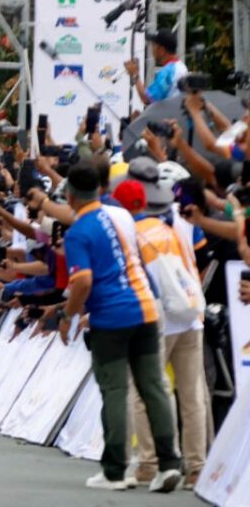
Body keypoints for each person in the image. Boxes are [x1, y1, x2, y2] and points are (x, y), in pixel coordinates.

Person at [59, 162, 183, 492]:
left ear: (70, 197)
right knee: (153, 386)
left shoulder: (77, 233)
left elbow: (83, 280)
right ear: (100, 190)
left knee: (115, 391)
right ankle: (169, 463)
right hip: (144, 308)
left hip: (110, 318)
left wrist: (69, 314)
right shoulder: (122, 216)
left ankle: (115, 469)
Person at [115, 159, 210, 489]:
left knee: (146, 393)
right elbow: (194, 265)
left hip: (156, 317)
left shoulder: (131, 232)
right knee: (192, 394)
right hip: (190, 312)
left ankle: (152, 461)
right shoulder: (180, 223)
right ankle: (196, 466)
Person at [125, 29, 188, 106]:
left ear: (161, 50)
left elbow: (147, 99)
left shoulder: (168, 71)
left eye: (154, 45)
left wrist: (135, 75)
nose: (152, 49)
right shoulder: (180, 66)